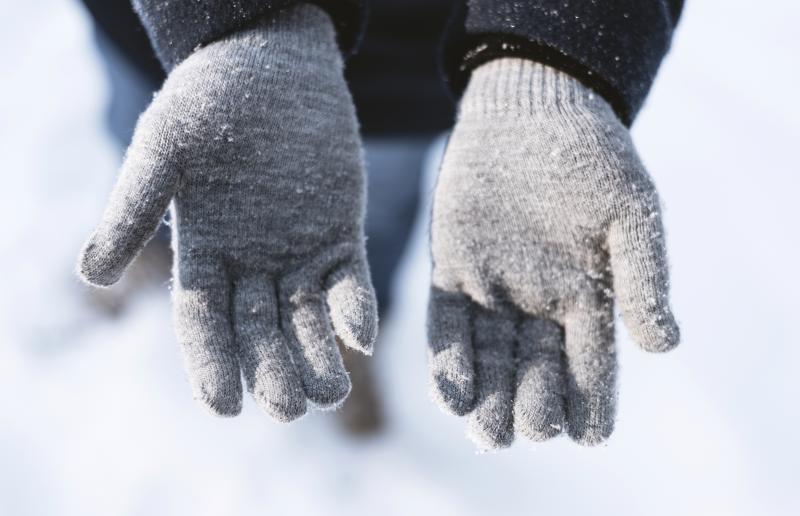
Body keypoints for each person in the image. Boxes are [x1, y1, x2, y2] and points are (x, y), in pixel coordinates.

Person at [78, 0, 683, 450]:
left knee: (380, 207)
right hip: (172, 27)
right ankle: (152, 250)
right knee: (164, 155)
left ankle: (346, 326)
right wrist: (237, 19)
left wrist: (550, 58)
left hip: (416, 60)